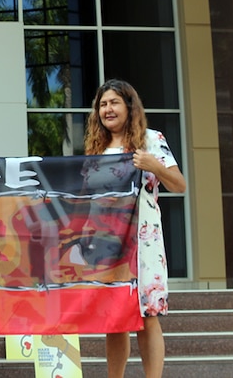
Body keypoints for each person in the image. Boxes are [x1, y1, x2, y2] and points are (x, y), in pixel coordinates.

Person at [83, 79, 186, 378]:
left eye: (114, 102)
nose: (107, 109)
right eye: (102, 104)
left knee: (147, 314)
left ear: (129, 107)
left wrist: (154, 166)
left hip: (143, 241)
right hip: (105, 242)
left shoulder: (152, 141)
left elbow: (179, 186)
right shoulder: (96, 149)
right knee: (114, 317)